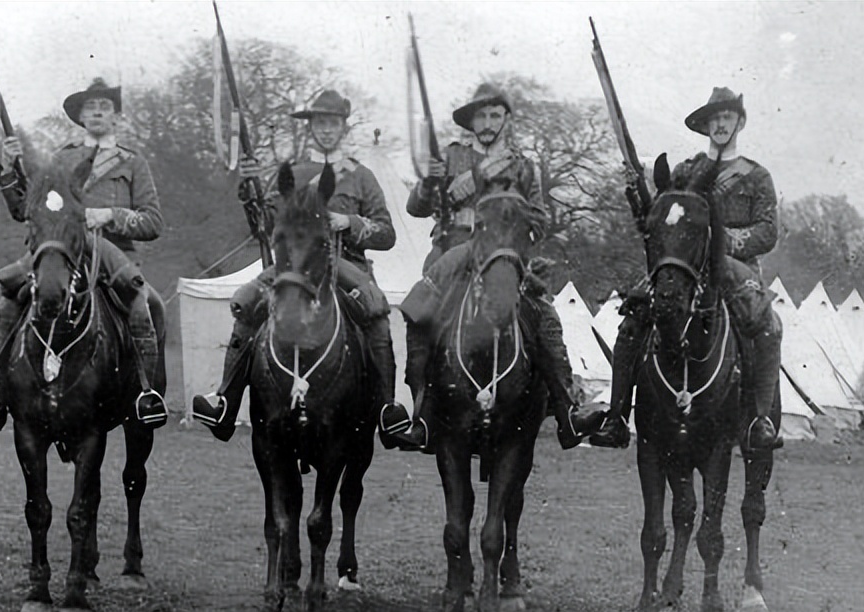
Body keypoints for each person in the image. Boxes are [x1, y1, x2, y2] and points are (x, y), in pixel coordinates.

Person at [191, 89, 410, 441]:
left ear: (343, 127)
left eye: (332, 123)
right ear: (311, 127)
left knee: (375, 311)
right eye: (320, 123)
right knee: (247, 301)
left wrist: (349, 222)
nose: (326, 130)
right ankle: (225, 403)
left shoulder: (361, 176)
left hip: (343, 264)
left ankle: (387, 408)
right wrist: (249, 191)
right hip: (294, 265)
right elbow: (265, 228)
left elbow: (386, 233)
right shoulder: (291, 173)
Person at [390, 82, 595, 452]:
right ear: (470, 121)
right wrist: (429, 182)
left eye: (494, 114)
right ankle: (421, 414)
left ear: (505, 119)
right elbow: (416, 208)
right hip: (454, 256)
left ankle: (567, 410)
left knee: (545, 317)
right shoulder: (451, 158)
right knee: (419, 315)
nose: (487, 122)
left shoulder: (523, 166)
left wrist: (514, 223)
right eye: (481, 115)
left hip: (504, 256)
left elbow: (540, 219)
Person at [0, 78, 168, 430]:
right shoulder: (62, 159)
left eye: (105, 106)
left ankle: (145, 394)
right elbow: (29, 210)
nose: (98, 111)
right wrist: (9, 169)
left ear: (116, 117)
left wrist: (110, 216)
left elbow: (153, 222)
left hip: (113, 255)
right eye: (91, 107)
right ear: (81, 117)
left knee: (145, 304)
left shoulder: (133, 163)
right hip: (63, 251)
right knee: (10, 293)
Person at [590, 87, 784, 451]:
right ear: (706, 126)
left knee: (767, 325)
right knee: (633, 315)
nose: (721, 123)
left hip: (733, 268)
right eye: (715, 118)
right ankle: (616, 417)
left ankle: (760, 418)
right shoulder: (686, 170)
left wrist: (719, 241)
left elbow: (767, 231)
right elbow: (660, 217)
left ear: (739, 122)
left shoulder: (757, 176)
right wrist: (637, 192)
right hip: (684, 267)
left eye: (727, 117)